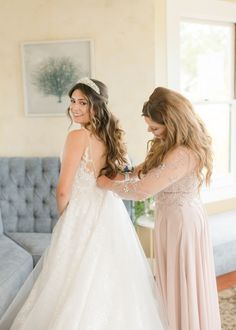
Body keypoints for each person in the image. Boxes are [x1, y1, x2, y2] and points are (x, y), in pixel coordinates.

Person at [0, 78, 167, 330]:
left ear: (96, 106)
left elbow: (62, 190)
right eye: (72, 101)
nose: (75, 108)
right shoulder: (109, 136)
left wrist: (65, 219)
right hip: (110, 213)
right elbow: (114, 177)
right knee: (112, 277)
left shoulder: (77, 136)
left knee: (70, 279)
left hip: (82, 213)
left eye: (82, 102)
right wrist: (139, 172)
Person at [97, 86, 221, 330]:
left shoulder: (185, 153)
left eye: (154, 128)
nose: (151, 133)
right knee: (171, 278)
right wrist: (118, 173)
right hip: (169, 219)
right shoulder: (167, 145)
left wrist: (107, 184)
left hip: (182, 223)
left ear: (172, 122)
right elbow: (140, 172)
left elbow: (144, 189)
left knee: (183, 279)